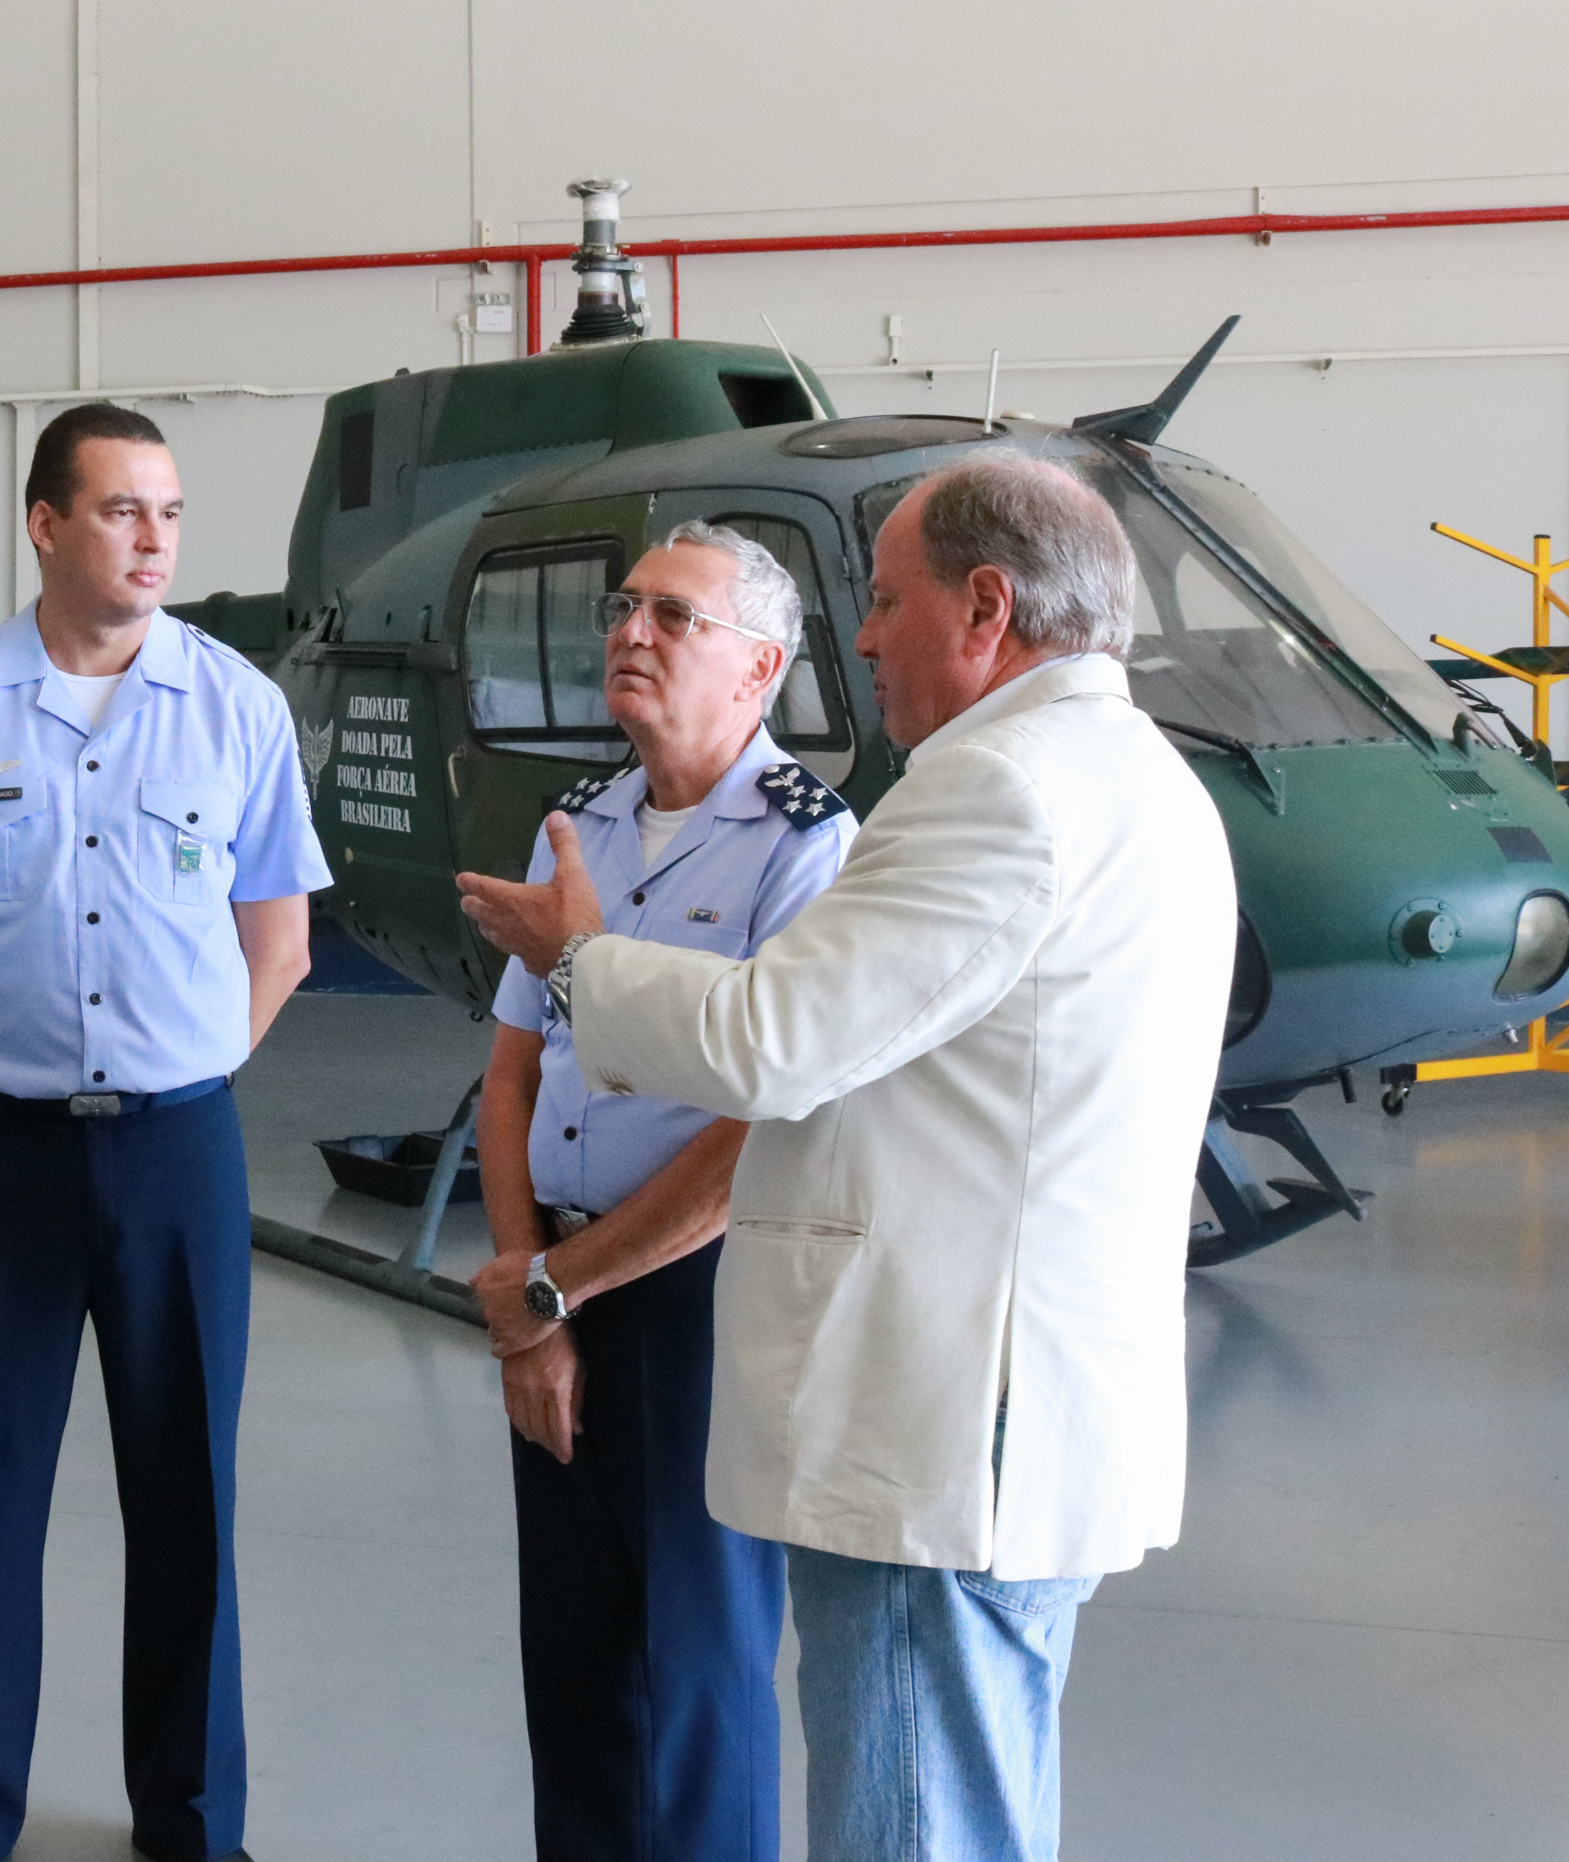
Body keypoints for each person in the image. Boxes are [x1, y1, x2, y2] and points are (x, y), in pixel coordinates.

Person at [457, 450, 1235, 1862]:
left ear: (985, 605)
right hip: (1016, 1413)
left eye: (884, 600)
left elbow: (770, 1043)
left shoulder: (995, 787)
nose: (864, 638)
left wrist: (579, 957)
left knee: (912, 1822)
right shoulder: (1139, 776)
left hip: (939, 1434)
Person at [0, 402, 333, 1862]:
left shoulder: (236, 705)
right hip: (1, 1157)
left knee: (190, 1496)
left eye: (169, 512)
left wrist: (181, 1070)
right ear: (46, 525)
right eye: (123, 510)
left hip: (181, 1150)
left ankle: (193, 1822)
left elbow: (280, 944)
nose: (155, 539)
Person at [467, 524, 855, 1861]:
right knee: (574, 1661)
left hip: (697, 1294)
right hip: (552, 1280)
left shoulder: (805, 846)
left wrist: (551, 1289)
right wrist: (529, 1291)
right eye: (625, 606)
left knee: (692, 1663)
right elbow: (512, 1069)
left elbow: (761, 1130)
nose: (631, 631)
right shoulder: (576, 824)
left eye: (674, 615)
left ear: (760, 666)